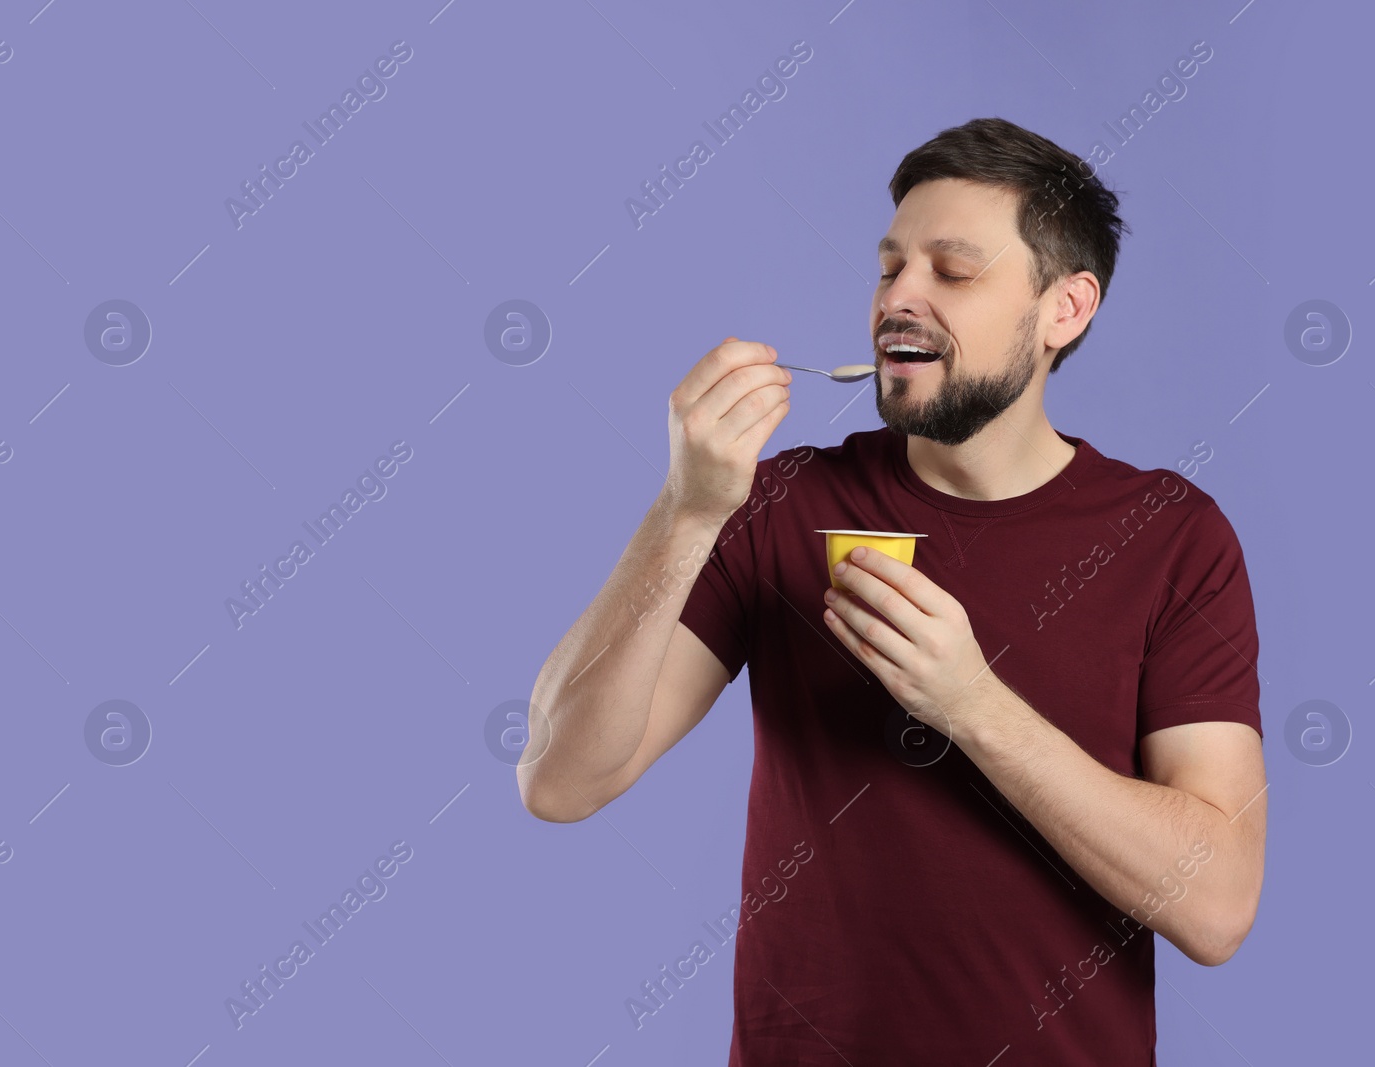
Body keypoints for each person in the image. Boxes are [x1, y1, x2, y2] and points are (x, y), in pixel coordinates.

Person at [520, 116, 1267, 1065]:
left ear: (1064, 311)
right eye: (888, 268)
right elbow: (558, 778)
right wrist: (685, 511)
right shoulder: (782, 503)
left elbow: (1218, 905)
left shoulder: (1172, 537)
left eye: (952, 272)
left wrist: (973, 705)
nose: (896, 300)